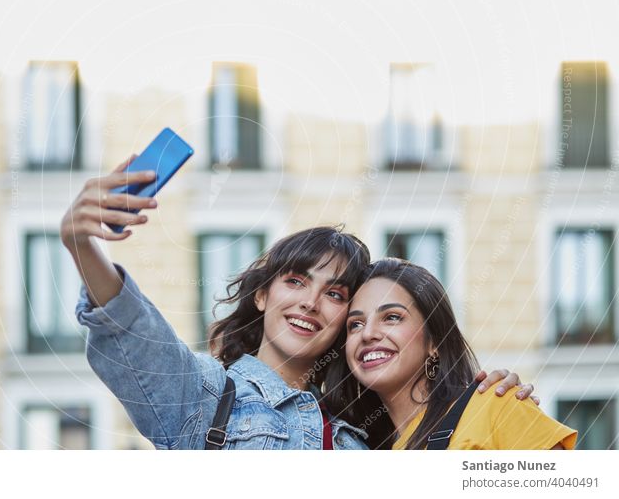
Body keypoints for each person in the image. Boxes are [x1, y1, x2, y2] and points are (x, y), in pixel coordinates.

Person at [60, 157, 532, 449]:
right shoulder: (202, 396)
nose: (310, 303)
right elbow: (134, 333)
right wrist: (81, 244)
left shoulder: (362, 440)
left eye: (334, 294)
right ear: (263, 294)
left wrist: (484, 402)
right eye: (295, 281)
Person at [325, 258, 577, 450]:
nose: (367, 333)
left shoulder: (496, 406)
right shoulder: (360, 448)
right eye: (355, 324)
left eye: (392, 317)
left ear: (434, 340)